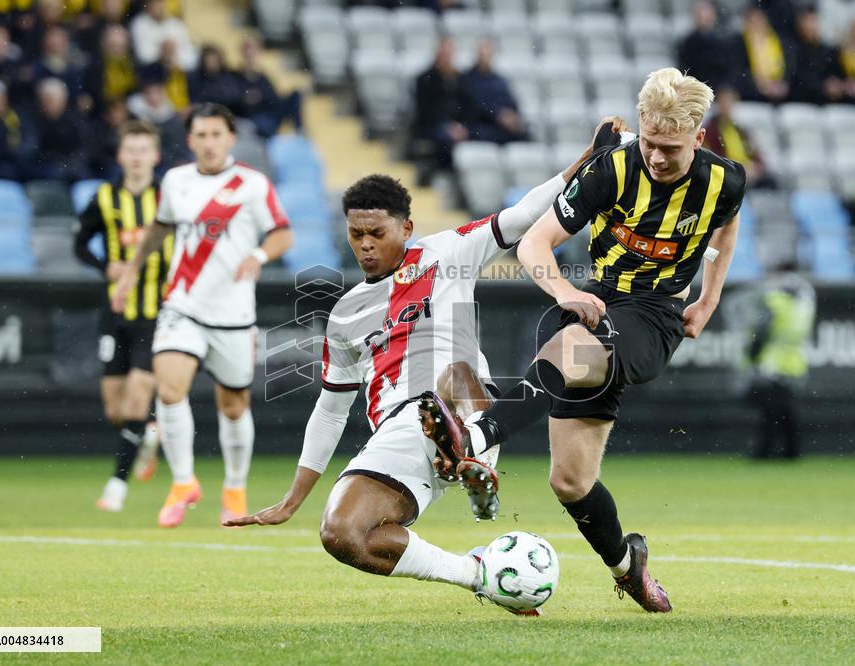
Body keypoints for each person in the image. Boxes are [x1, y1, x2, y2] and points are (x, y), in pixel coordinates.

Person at [224, 118, 632, 612]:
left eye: (377, 233)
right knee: (342, 533)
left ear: (407, 228)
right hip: (400, 434)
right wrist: (292, 500)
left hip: (467, 408)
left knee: (453, 376)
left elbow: (525, 214)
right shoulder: (345, 314)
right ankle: (478, 573)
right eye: (356, 234)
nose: (365, 244)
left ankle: (472, 454)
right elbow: (330, 412)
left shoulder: (448, 252)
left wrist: (585, 161)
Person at [419, 68, 746, 614]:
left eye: (670, 149)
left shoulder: (724, 180)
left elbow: (726, 228)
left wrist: (708, 300)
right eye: (649, 141)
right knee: (570, 481)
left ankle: (477, 437)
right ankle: (628, 567)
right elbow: (533, 245)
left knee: (572, 345)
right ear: (640, 123)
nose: (656, 156)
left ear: (697, 135)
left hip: (654, 316)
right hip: (596, 300)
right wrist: (565, 291)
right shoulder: (611, 169)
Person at [111, 103, 293, 528]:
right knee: (169, 388)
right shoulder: (176, 181)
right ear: (190, 140)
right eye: (201, 135)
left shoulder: (252, 184)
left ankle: (234, 488)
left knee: (233, 406)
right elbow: (161, 227)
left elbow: (283, 233)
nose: (209, 143)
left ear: (230, 139)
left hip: (233, 313)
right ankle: (182, 483)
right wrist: (131, 272)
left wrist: (258, 256)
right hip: (183, 305)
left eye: (216, 135)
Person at [74, 120, 172, 511]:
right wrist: (105, 267)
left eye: (143, 150)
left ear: (155, 156)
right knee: (115, 410)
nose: (136, 157)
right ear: (120, 156)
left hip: (157, 313)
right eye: (130, 150)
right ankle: (150, 429)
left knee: (135, 401)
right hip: (115, 313)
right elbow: (79, 243)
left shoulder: (168, 197)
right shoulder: (105, 198)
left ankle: (116, 486)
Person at [745, 263, 815, 459]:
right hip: (795, 363)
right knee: (787, 410)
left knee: (769, 411)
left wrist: (753, 354)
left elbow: (762, 332)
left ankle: (765, 451)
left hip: (772, 363)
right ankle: (791, 451)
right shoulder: (804, 302)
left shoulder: (775, 300)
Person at [411, 37, 467, 170]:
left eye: (449, 54)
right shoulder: (425, 79)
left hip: (456, 125)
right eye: (444, 54)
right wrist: (449, 126)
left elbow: (466, 105)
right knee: (445, 138)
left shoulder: (460, 79)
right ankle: (445, 170)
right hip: (432, 126)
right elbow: (425, 110)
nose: (446, 58)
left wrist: (461, 125)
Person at [458, 39, 527, 145]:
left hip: (501, 127)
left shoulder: (499, 80)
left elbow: (511, 102)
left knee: (524, 135)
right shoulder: (467, 79)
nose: (484, 59)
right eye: (482, 55)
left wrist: (512, 116)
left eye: (487, 55)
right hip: (480, 126)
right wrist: (497, 115)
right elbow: (473, 105)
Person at [703, 87, 774, 189]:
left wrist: (758, 166)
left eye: (730, 102)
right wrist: (740, 169)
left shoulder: (739, 128)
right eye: (724, 102)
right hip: (728, 173)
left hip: (747, 171)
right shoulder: (710, 130)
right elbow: (713, 158)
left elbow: (753, 151)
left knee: (771, 181)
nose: (727, 106)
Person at [26, 77, 92, 182]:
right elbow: (31, 151)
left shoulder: (75, 120)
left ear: (63, 100)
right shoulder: (32, 120)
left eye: (51, 99)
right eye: (44, 99)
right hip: (44, 169)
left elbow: (85, 148)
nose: (47, 104)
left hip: (72, 168)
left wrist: (69, 164)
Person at [234, 35, 302, 137]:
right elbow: (237, 100)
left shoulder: (263, 77)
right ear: (243, 53)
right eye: (248, 52)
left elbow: (274, 98)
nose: (251, 56)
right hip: (255, 117)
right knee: (265, 125)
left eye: (254, 51)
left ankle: (300, 133)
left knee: (296, 95)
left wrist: (260, 96)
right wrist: (248, 98)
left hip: (271, 113)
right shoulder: (235, 76)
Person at [734, 5, 791, 103]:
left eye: (759, 21)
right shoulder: (739, 44)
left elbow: (789, 68)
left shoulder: (779, 42)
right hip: (749, 98)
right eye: (752, 22)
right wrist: (757, 84)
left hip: (779, 98)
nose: (757, 25)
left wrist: (781, 84)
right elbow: (738, 72)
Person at [788, 8, 844, 105]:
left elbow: (836, 75)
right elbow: (797, 80)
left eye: (814, 21)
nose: (812, 26)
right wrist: (823, 87)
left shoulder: (829, 51)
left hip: (828, 104)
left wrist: (837, 85)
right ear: (800, 25)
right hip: (800, 103)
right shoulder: (793, 50)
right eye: (808, 22)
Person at [130, 0, 197, 71]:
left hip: (179, 72)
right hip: (151, 73)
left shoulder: (176, 24)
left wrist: (174, 56)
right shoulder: (139, 24)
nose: (160, 6)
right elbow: (143, 57)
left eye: (162, 2)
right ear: (148, 4)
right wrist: (163, 51)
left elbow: (191, 60)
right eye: (156, 2)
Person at [677, 1, 730, 89]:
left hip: (721, 90)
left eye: (705, 11)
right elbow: (684, 71)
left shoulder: (726, 40)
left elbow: (731, 70)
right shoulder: (687, 43)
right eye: (699, 12)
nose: (702, 15)